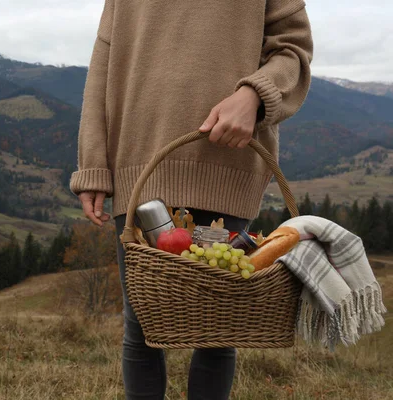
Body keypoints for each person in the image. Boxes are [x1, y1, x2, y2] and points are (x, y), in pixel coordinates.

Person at [70, 0, 313, 399]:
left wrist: (254, 95)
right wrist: (94, 163)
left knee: (219, 329)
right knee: (141, 325)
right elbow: (104, 62)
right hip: (139, 159)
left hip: (226, 160)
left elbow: (293, 50)